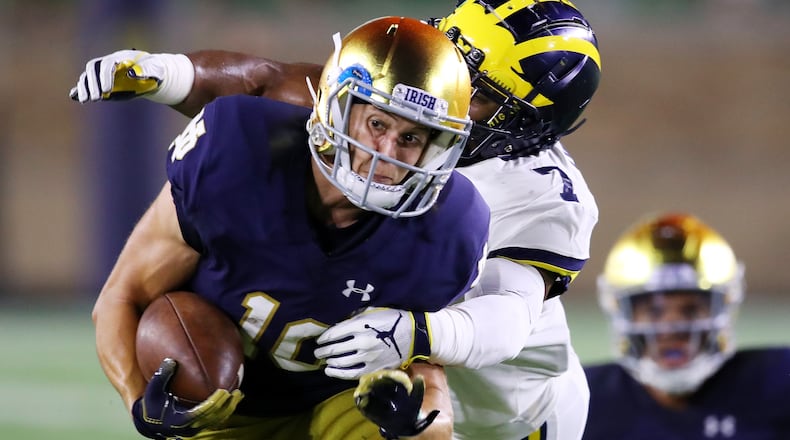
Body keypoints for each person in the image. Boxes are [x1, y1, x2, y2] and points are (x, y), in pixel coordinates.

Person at [73, 1, 602, 438]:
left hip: (508, 412)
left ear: (528, 125)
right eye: (452, 61)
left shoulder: (538, 198)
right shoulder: (399, 108)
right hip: (368, 387)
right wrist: (167, 73)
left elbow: (508, 319)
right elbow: (272, 84)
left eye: (479, 95)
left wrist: (418, 332)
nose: (451, 90)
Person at [585, 213, 790, 439]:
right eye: (654, 311)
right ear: (622, 312)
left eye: (691, 310)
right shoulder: (582, 399)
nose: (671, 327)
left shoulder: (777, 384)